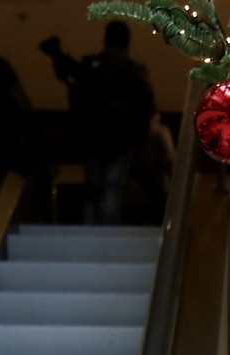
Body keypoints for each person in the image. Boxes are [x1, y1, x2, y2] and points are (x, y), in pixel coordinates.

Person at [40, 21, 156, 224]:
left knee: (93, 190)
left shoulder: (91, 67)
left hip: (92, 137)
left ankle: (91, 229)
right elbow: (146, 104)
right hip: (122, 139)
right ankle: (107, 231)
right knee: (113, 187)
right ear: (127, 42)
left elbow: (77, 96)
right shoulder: (134, 72)